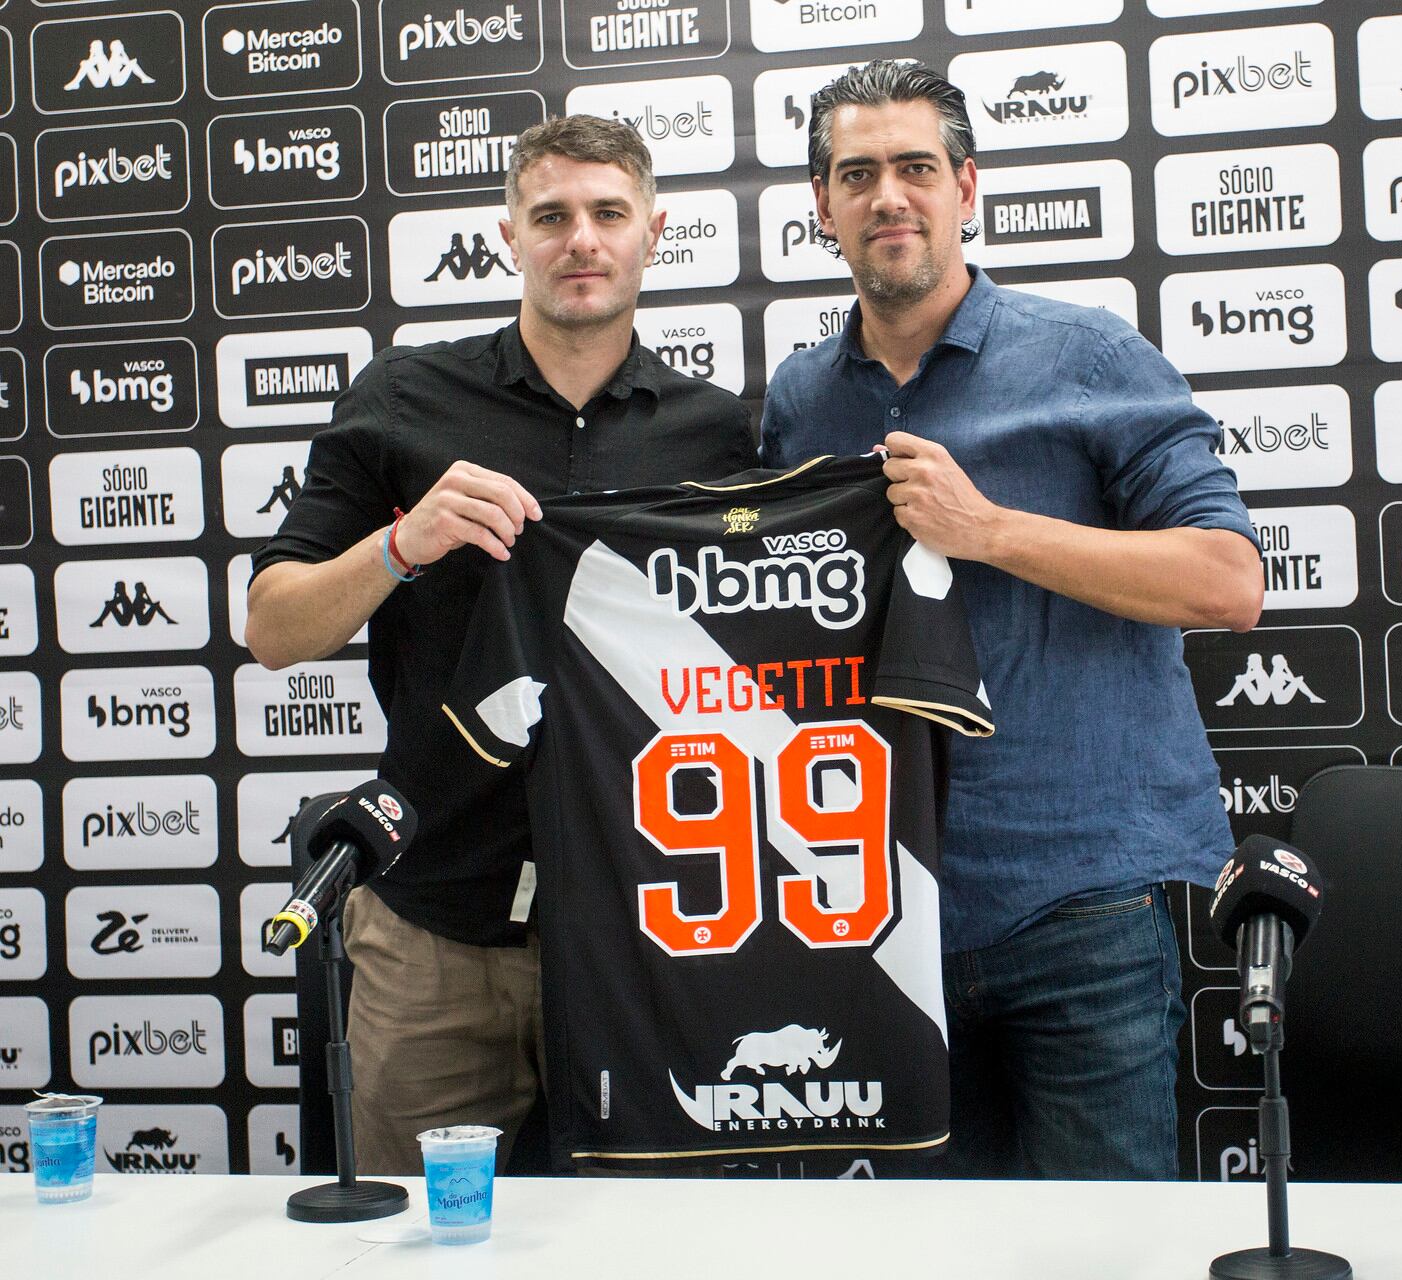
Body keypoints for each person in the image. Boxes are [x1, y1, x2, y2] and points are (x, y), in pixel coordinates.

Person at [760, 61, 1263, 1179]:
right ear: (821, 205)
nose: (888, 195)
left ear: (966, 187)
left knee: (1105, 1253)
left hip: (1078, 900)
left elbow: (1227, 579)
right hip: (881, 910)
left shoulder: (1086, 354)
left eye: (915, 168)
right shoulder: (798, 399)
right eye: (857, 174)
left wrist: (989, 528)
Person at [246, 115, 756, 1175]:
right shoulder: (403, 398)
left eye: (608, 213)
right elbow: (272, 626)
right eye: (552, 215)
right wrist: (400, 541)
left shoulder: (720, 434)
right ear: (506, 235)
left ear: (653, 233)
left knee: (653, 1247)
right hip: (439, 925)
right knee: (404, 1240)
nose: (582, 239)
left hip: (653, 935)